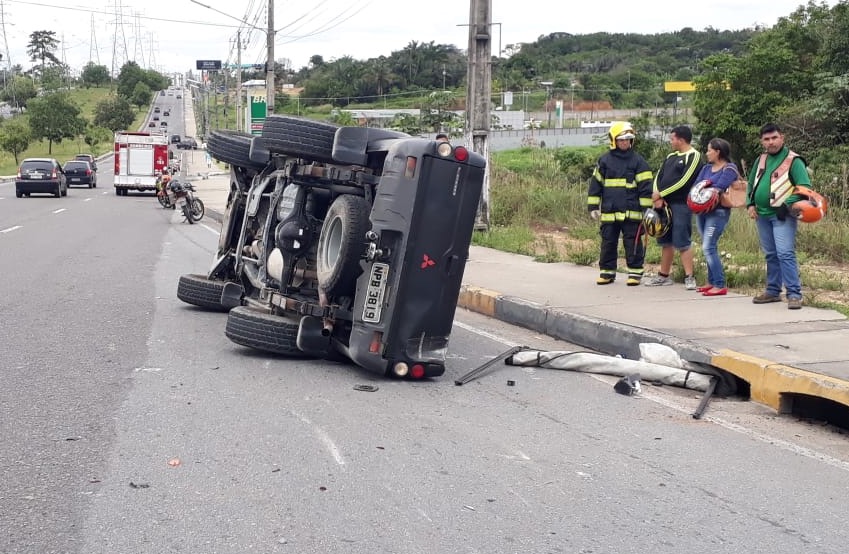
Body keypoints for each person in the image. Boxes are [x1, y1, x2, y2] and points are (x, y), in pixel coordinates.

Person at [747, 123, 808, 310]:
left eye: (774, 138)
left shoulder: (794, 161)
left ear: (782, 137)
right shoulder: (761, 160)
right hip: (762, 215)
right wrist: (750, 204)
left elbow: (805, 187)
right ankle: (773, 291)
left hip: (782, 216)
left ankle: (794, 294)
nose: (771, 142)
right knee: (771, 254)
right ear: (762, 141)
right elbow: (751, 184)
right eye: (767, 139)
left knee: (785, 253)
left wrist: (788, 204)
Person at [587, 121, 653, 286]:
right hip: (609, 211)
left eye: (628, 139)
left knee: (632, 243)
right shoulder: (604, 161)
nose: (625, 143)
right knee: (608, 242)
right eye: (621, 140)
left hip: (632, 212)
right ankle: (607, 273)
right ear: (614, 141)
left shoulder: (638, 161)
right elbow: (596, 184)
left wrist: (647, 211)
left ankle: (635, 273)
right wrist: (593, 207)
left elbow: (646, 189)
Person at [645, 125, 703, 289]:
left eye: (672, 139)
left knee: (682, 240)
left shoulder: (693, 156)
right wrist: (657, 195)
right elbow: (659, 176)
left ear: (681, 139)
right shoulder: (671, 156)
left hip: (681, 204)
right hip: (663, 205)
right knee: (665, 241)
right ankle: (663, 275)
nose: (671, 141)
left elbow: (684, 181)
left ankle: (689, 276)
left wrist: (662, 193)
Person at [693, 138, 738, 296]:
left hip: (717, 212)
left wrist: (708, 186)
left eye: (709, 150)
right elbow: (697, 185)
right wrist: (707, 186)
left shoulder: (730, 168)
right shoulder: (706, 168)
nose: (707, 153)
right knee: (709, 247)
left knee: (708, 246)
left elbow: (719, 186)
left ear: (718, 152)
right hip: (702, 211)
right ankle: (711, 281)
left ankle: (719, 284)